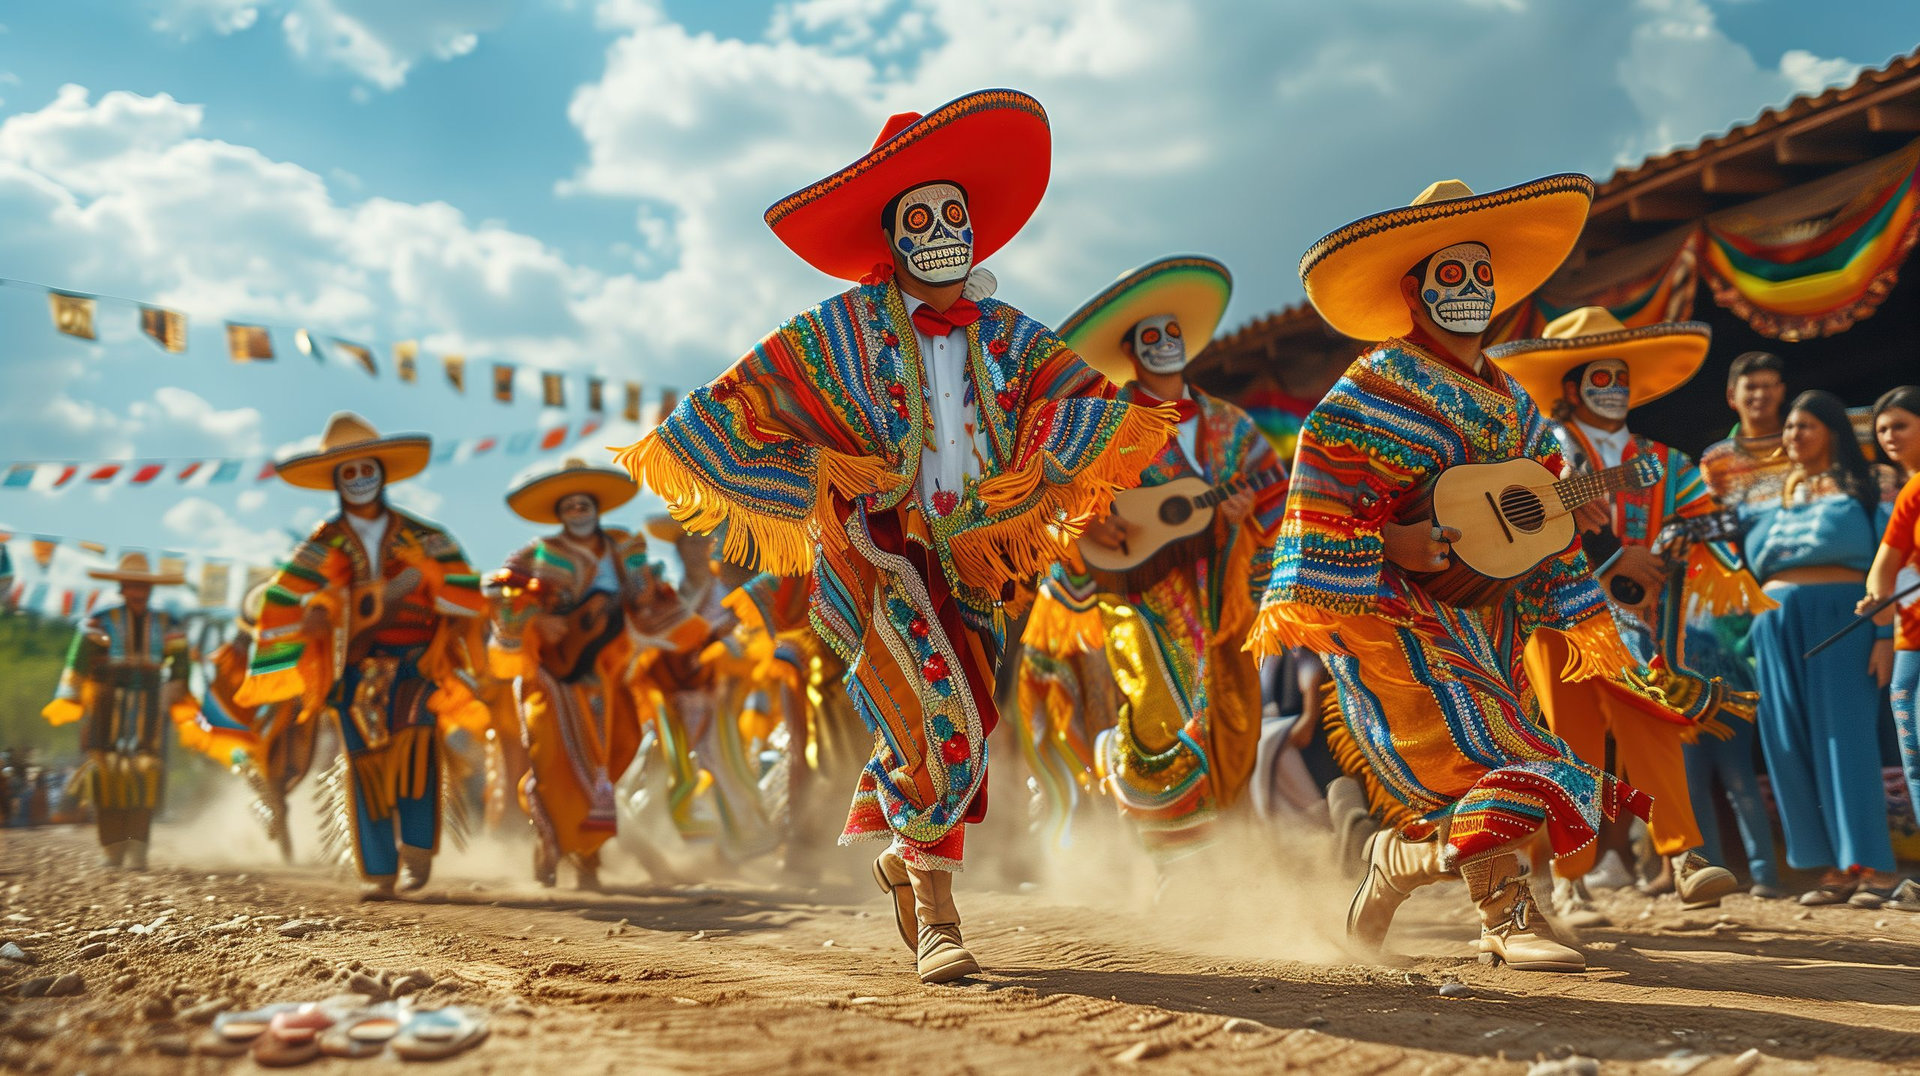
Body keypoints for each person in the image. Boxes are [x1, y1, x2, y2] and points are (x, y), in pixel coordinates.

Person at [613, 89, 1173, 984]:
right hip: (880, 554)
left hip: (980, 557)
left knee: (964, 729)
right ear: (891, 234)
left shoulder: (1013, 333)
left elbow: (1088, 406)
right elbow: (719, 414)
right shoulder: (836, 330)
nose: (944, 230)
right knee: (939, 720)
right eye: (921, 217)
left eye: (955, 214)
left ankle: (900, 851)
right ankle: (941, 916)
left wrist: (1039, 473)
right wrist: (828, 474)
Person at [1252, 174, 1660, 973]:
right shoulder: (1374, 385)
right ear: (1413, 290)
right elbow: (1319, 492)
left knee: (1489, 766)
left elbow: (1541, 495)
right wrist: (1390, 543)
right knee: (1505, 756)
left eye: (1481, 273)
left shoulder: (1515, 402)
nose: (1471, 287)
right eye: (1450, 273)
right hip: (1394, 616)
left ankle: (1409, 867)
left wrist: (1565, 520)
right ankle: (1500, 911)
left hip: (1490, 618)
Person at [1488, 308, 1759, 919]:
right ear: (1570, 386)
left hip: (1632, 623)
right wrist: (1614, 556)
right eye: (1600, 377)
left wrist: (1679, 544)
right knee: (1571, 740)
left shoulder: (1666, 460)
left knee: (1652, 719)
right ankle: (1570, 880)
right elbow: (1519, 518)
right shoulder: (1540, 450)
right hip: (1554, 617)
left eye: (1620, 377)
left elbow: (1712, 522)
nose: (1613, 388)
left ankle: (1682, 855)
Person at [1018, 255, 1286, 861]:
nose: (1166, 343)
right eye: (1151, 335)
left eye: (1173, 332)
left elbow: (1276, 499)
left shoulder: (1232, 425)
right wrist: (1089, 518)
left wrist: (1244, 519)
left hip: (1222, 602)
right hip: (1137, 598)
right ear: (1129, 351)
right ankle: (1171, 856)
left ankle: (1226, 855)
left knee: (1237, 718)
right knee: (1158, 707)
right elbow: (1052, 498)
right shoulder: (1104, 426)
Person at [236, 412, 488, 901]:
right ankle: (378, 871)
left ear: (382, 473)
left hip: (416, 663)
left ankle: (418, 850)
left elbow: (466, 589)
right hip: (351, 669)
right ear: (335, 481)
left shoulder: (425, 536)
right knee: (364, 764)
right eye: (347, 472)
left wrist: (428, 581)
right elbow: (282, 599)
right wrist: (319, 610)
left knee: (417, 749)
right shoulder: (322, 542)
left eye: (365, 469)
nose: (357, 479)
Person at [487, 458, 688, 889]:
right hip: (553, 675)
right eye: (569, 506)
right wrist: (538, 621)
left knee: (610, 757)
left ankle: (585, 855)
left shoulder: (624, 545)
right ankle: (554, 841)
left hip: (610, 674)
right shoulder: (539, 552)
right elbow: (499, 592)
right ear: (559, 514)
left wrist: (647, 588)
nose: (577, 512)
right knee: (549, 759)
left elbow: (647, 603)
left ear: (596, 508)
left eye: (584, 504)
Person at [1739, 390, 1898, 906]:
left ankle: (1872, 866)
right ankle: (1833, 866)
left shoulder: (1869, 484)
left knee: (1846, 740)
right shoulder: (1765, 493)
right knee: (1788, 744)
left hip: (1843, 617)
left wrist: (1883, 635)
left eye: (1805, 425)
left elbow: (1889, 562)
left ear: (1832, 431)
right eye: (1789, 427)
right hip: (1773, 622)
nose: (1793, 435)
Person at [42, 553, 195, 869]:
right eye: (132, 585)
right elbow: (79, 659)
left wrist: (173, 691)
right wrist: (71, 697)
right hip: (105, 706)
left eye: (144, 586)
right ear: (122, 587)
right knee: (104, 774)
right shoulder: (100, 621)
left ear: (150, 590)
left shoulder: (167, 624)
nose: (139, 592)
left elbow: (181, 665)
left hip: (149, 708)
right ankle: (112, 848)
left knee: (145, 774)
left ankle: (138, 847)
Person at [192, 582, 321, 861]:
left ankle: (283, 847)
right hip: (251, 738)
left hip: (285, 729)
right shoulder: (234, 659)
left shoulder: (293, 648)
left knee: (279, 791)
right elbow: (225, 702)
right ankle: (286, 854)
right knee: (272, 793)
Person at [1860, 385, 1920, 912]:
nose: (1888, 437)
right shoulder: (1909, 492)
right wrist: (1876, 600)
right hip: (1909, 642)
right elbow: (1884, 569)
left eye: (1900, 424)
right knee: (1915, 760)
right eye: (1882, 429)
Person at [1701, 351, 1790, 509]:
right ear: (1731, 396)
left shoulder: (1808, 442)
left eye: (1767, 386)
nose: (1760, 394)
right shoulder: (1716, 460)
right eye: (1751, 387)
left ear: (1781, 391)